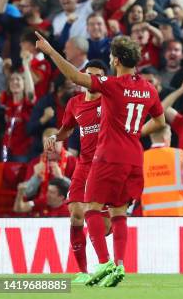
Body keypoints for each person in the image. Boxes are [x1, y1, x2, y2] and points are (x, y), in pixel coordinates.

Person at [35, 33, 166, 288]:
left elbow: (74, 76)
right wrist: (134, 132)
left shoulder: (112, 85)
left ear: (116, 60)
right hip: (134, 158)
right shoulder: (149, 88)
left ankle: (104, 261)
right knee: (119, 213)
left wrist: (51, 52)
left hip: (108, 156)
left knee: (92, 208)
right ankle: (118, 264)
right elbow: (161, 123)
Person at [45, 59, 109, 284]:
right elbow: (66, 130)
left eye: (97, 75)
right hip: (84, 166)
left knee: (105, 228)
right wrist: (54, 137)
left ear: (104, 79)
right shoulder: (74, 103)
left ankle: (107, 251)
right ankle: (83, 271)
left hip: (107, 166)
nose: (91, 80)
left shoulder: (111, 101)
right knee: (76, 215)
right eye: (88, 75)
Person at [142, 124, 183, 216]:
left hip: (151, 218)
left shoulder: (142, 159)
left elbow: (133, 190)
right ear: (165, 137)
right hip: (179, 216)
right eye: (170, 136)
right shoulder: (179, 156)